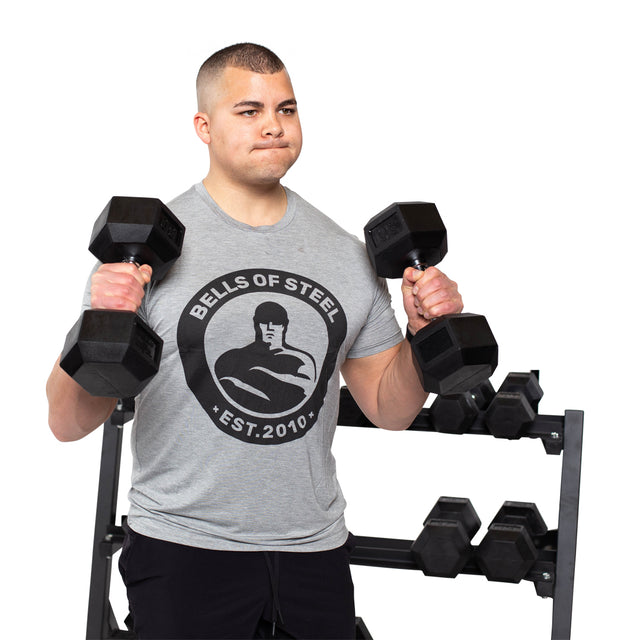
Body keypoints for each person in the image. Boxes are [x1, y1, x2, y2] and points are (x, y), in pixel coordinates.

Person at [46, 43, 463, 639]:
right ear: (204, 126)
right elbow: (66, 421)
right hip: (183, 550)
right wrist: (102, 317)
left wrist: (424, 337)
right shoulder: (146, 253)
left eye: (287, 109)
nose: (273, 125)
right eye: (249, 111)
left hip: (314, 551)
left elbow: (391, 409)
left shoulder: (346, 255)